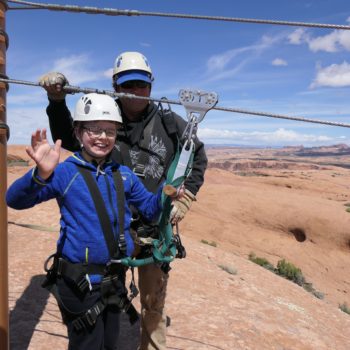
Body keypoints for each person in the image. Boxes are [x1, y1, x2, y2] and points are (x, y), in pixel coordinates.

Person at [39, 51, 208, 350]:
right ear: (116, 85)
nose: (135, 91)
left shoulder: (171, 124)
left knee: (154, 306)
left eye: (141, 85)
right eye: (128, 84)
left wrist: (186, 198)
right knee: (107, 300)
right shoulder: (105, 118)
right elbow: (67, 134)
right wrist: (56, 101)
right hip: (112, 229)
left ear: (151, 87)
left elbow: (197, 157)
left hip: (155, 229)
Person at [6, 93, 181, 350]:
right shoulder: (66, 172)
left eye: (110, 131)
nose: (102, 137)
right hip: (79, 282)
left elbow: (149, 208)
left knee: (110, 342)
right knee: (87, 344)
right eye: (94, 129)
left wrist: (167, 192)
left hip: (114, 279)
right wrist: (41, 174)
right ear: (77, 132)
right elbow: (15, 199)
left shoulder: (123, 174)